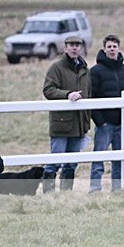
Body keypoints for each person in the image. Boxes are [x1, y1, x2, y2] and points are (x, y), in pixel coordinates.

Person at [89, 34, 124, 192]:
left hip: (122, 123)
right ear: (104, 49)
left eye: (114, 46)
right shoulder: (96, 71)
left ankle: (117, 190)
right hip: (105, 123)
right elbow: (91, 96)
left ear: (119, 48)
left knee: (119, 159)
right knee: (99, 157)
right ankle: (95, 189)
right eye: (109, 46)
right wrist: (99, 121)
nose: (112, 49)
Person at [42, 35, 91, 193]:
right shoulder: (56, 68)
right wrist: (67, 94)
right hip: (61, 122)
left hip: (79, 123)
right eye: (71, 45)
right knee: (55, 160)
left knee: (72, 162)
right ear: (65, 48)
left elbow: (89, 93)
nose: (75, 47)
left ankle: (66, 194)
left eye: (77, 44)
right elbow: (48, 90)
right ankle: (48, 193)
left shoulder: (84, 68)